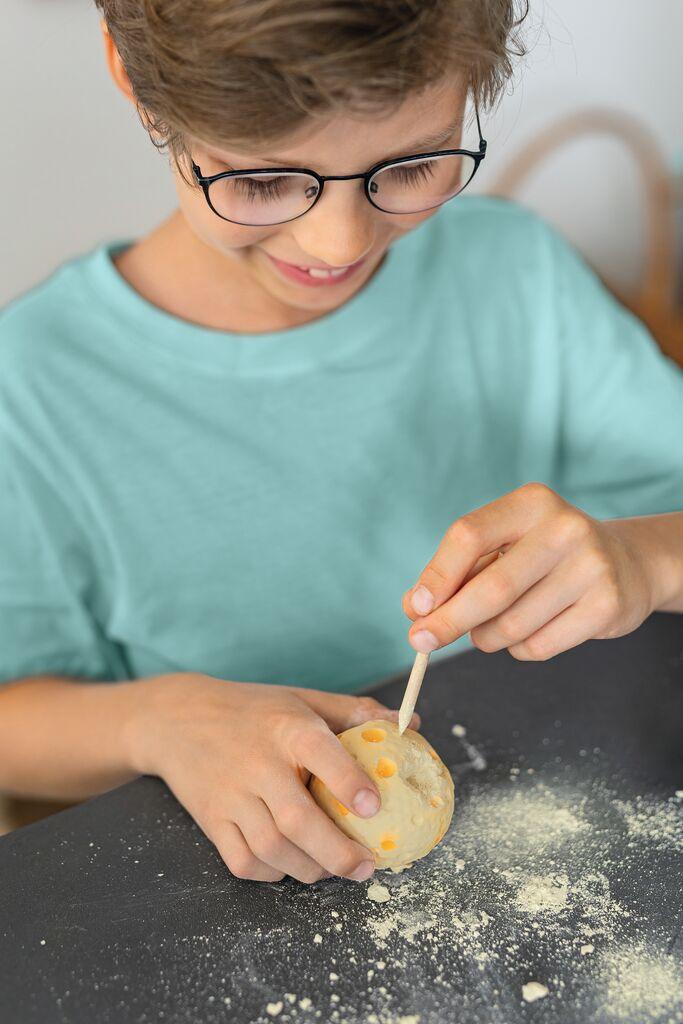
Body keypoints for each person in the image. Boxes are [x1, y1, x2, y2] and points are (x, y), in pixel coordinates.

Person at [0, 0, 681, 885]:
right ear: (133, 77)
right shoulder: (32, 393)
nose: (339, 244)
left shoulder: (516, 274)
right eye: (261, 182)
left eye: (412, 165)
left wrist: (649, 557)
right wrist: (156, 721)